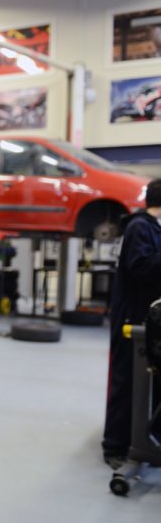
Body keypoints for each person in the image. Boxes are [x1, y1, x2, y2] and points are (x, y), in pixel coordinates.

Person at [103, 178, 161, 469]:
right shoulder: (140, 227)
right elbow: (141, 267)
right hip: (131, 317)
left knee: (151, 382)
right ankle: (114, 446)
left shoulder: (154, 228)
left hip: (149, 317)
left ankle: (149, 440)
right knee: (126, 383)